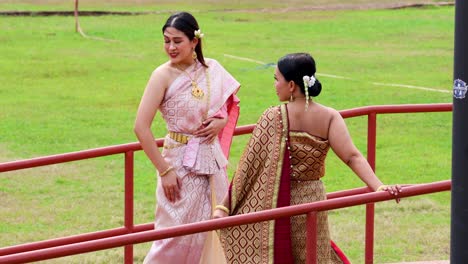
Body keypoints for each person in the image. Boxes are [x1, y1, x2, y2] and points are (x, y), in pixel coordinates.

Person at [214, 53, 402, 263]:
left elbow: (247, 170)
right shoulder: (330, 116)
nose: (275, 85)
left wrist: (224, 207)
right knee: (314, 254)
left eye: (277, 79)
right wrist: (378, 186)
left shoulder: (273, 116)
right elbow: (352, 156)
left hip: (278, 204)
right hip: (314, 198)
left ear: (292, 85)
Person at [134, 11, 241, 263]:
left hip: (211, 164)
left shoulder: (211, 69)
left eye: (177, 41)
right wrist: (164, 170)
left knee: (212, 231)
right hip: (178, 165)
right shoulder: (162, 75)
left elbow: (225, 107)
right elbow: (141, 127)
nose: (170, 47)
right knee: (173, 237)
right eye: (166, 40)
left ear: (194, 41)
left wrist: (221, 121)